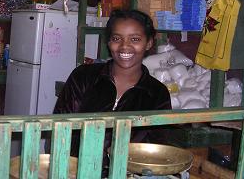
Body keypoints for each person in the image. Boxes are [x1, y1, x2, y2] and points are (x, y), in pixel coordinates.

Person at [51, 9, 171, 175]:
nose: (124, 46)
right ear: (109, 42)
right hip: (75, 171)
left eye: (135, 39)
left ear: (149, 43)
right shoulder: (84, 77)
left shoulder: (157, 93)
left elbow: (156, 148)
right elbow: (60, 128)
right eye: (116, 38)